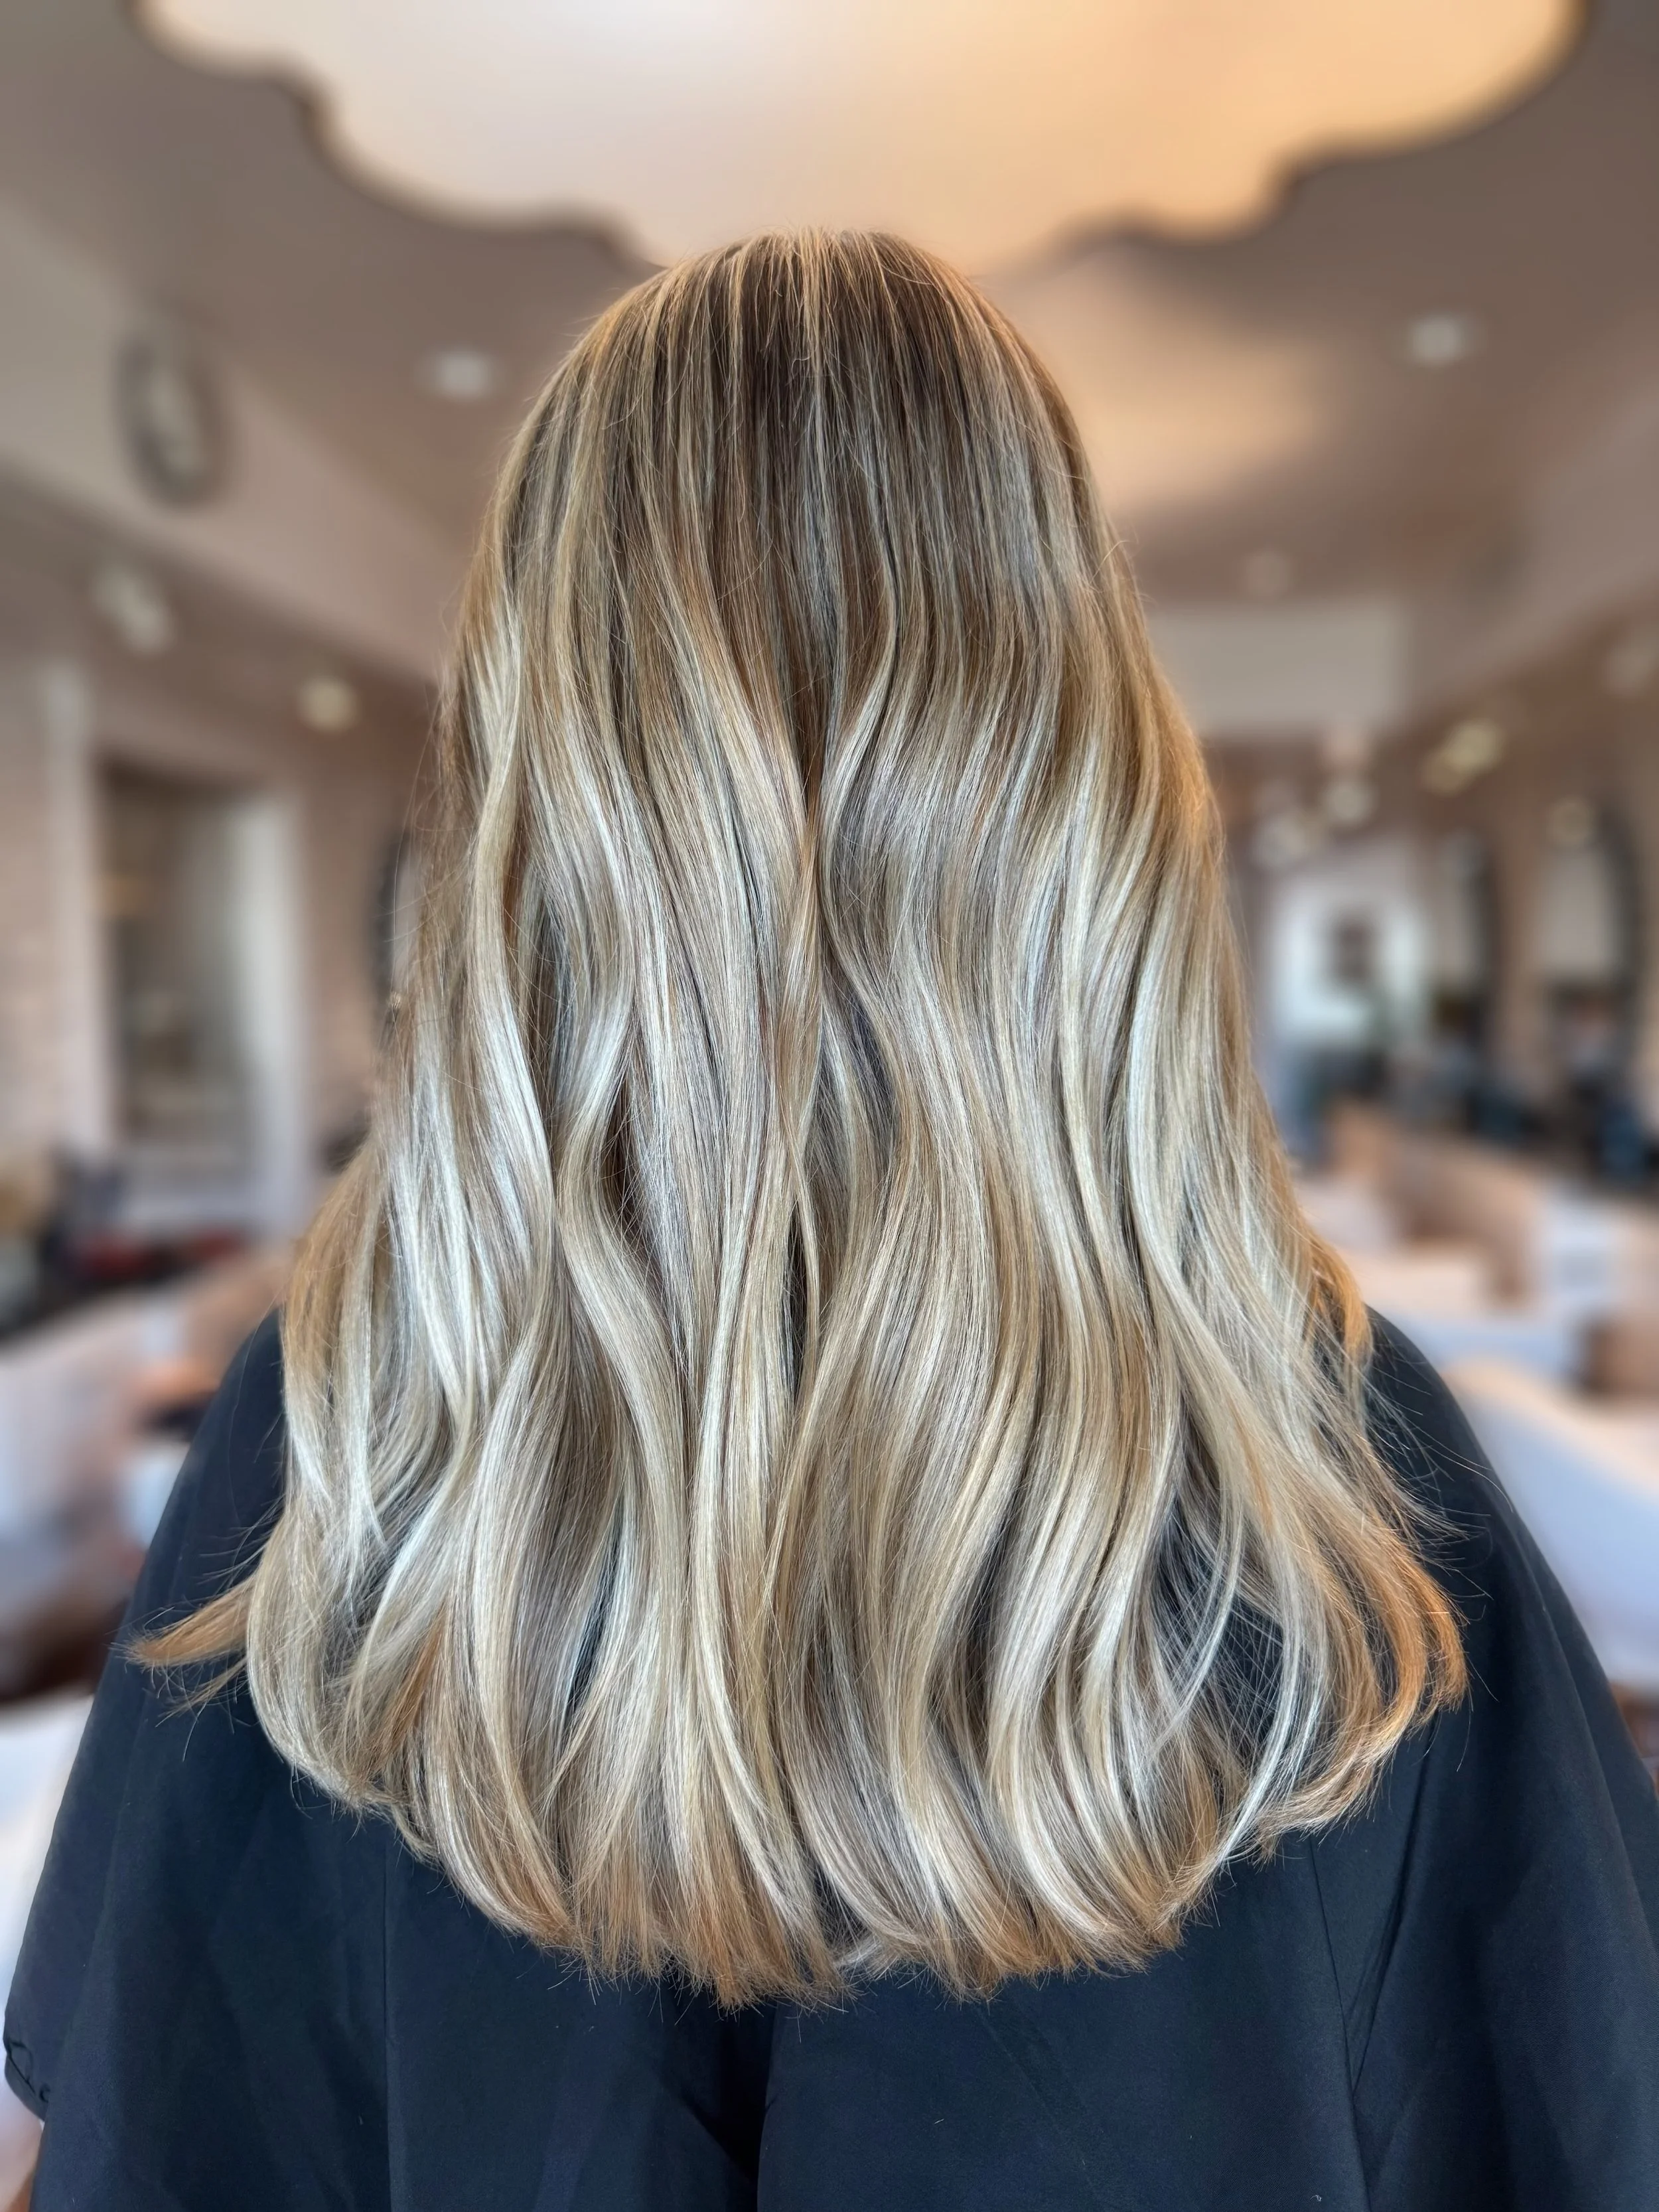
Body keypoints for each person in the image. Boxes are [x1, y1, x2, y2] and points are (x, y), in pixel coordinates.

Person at [6, 232, 1658, 2210]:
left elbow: (157, 2142)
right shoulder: (1331, 1468)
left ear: (552, 775)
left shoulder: (351, 1442)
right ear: (1080, 766)